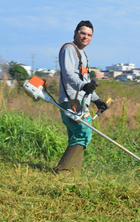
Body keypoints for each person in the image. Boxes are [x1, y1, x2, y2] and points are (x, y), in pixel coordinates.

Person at [55, 20, 108, 174]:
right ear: (75, 32)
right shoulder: (69, 49)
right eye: (83, 33)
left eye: (89, 35)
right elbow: (69, 74)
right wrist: (83, 86)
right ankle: (63, 171)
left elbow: (85, 82)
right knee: (83, 134)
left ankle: (73, 175)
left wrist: (96, 99)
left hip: (80, 101)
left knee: (77, 137)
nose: (86, 37)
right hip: (71, 101)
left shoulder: (82, 53)